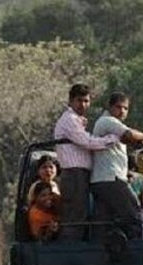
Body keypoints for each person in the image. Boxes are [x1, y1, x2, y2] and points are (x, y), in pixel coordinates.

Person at [53, 84, 119, 241]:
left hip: (81, 174)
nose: (83, 104)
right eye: (79, 100)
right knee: (74, 217)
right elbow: (87, 142)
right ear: (70, 101)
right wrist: (112, 139)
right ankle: (70, 255)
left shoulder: (78, 120)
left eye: (86, 101)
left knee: (82, 214)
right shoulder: (69, 120)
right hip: (74, 174)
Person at [90, 92, 143, 240]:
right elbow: (129, 135)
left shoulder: (111, 124)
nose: (122, 111)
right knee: (136, 215)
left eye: (125, 108)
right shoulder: (107, 121)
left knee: (104, 222)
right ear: (110, 107)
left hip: (104, 180)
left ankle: (102, 256)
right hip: (110, 179)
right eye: (118, 107)